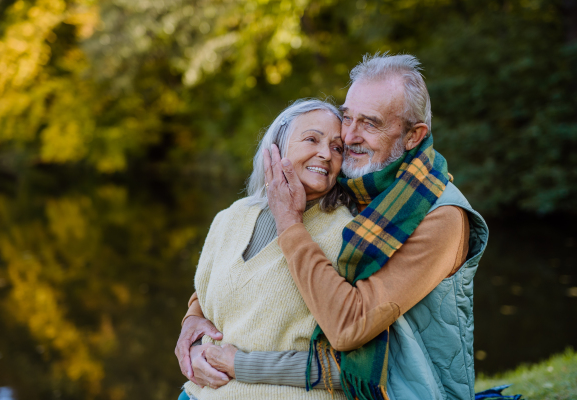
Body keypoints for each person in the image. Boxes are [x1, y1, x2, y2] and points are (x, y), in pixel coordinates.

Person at [177, 53, 491, 400]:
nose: (349, 136)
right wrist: (193, 323)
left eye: (370, 123)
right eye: (347, 117)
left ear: (413, 136)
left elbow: (349, 327)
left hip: (406, 389)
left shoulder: (441, 217)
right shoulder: (353, 173)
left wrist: (289, 222)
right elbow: (240, 277)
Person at [180, 99, 355, 400]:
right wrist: (193, 342)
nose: (326, 154)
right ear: (276, 146)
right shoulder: (231, 217)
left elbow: (356, 370)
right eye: (312, 139)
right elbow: (208, 307)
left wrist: (244, 366)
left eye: (337, 148)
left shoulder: (347, 233)